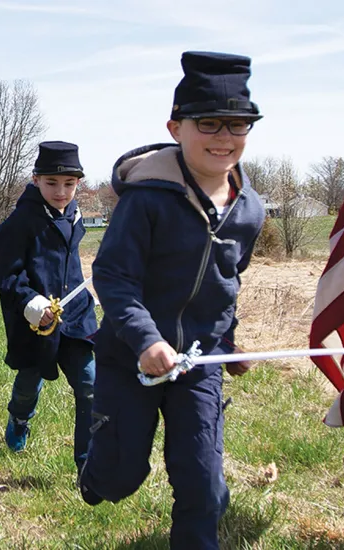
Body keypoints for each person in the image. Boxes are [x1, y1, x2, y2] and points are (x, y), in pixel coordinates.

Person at [76, 51, 264, 549]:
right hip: (128, 360)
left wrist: (230, 340)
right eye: (210, 124)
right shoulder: (148, 199)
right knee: (121, 477)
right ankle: (97, 474)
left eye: (239, 125)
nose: (225, 138)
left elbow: (228, 284)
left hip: (198, 363)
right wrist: (145, 340)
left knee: (203, 483)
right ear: (176, 127)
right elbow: (112, 275)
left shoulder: (249, 211)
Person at [0, 140, 98, 464]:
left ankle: (87, 465)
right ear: (36, 180)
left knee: (91, 384)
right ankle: (20, 418)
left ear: (79, 183)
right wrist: (31, 304)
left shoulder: (75, 216)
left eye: (69, 184)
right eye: (52, 182)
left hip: (76, 317)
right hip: (34, 322)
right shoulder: (19, 222)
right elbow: (5, 274)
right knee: (29, 382)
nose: (61, 191)